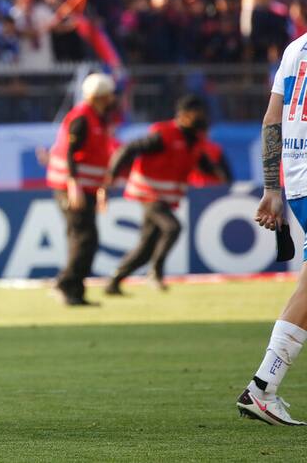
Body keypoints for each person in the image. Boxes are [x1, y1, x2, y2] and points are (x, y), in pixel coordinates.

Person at [236, 30, 307, 425]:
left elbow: (272, 120)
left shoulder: (296, 48)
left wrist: (271, 187)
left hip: (298, 180)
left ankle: (263, 386)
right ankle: (263, 387)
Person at [102, 95, 227, 295]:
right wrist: (111, 175)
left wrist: (219, 176)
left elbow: (203, 163)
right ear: (184, 116)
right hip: (148, 194)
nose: (202, 118)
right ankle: (155, 272)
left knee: (145, 248)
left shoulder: (193, 140)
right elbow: (129, 149)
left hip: (164, 198)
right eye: (198, 114)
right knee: (173, 227)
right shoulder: (164, 135)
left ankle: (114, 281)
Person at [46, 73, 117, 306]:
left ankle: (75, 291)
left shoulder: (97, 118)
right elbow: (70, 152)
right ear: (101, 95)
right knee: (85, 238)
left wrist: (100, 188)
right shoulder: (82, 118)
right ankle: (67, 284)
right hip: (72, 188)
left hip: (84, 187)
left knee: (83, 239)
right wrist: (73, 184)